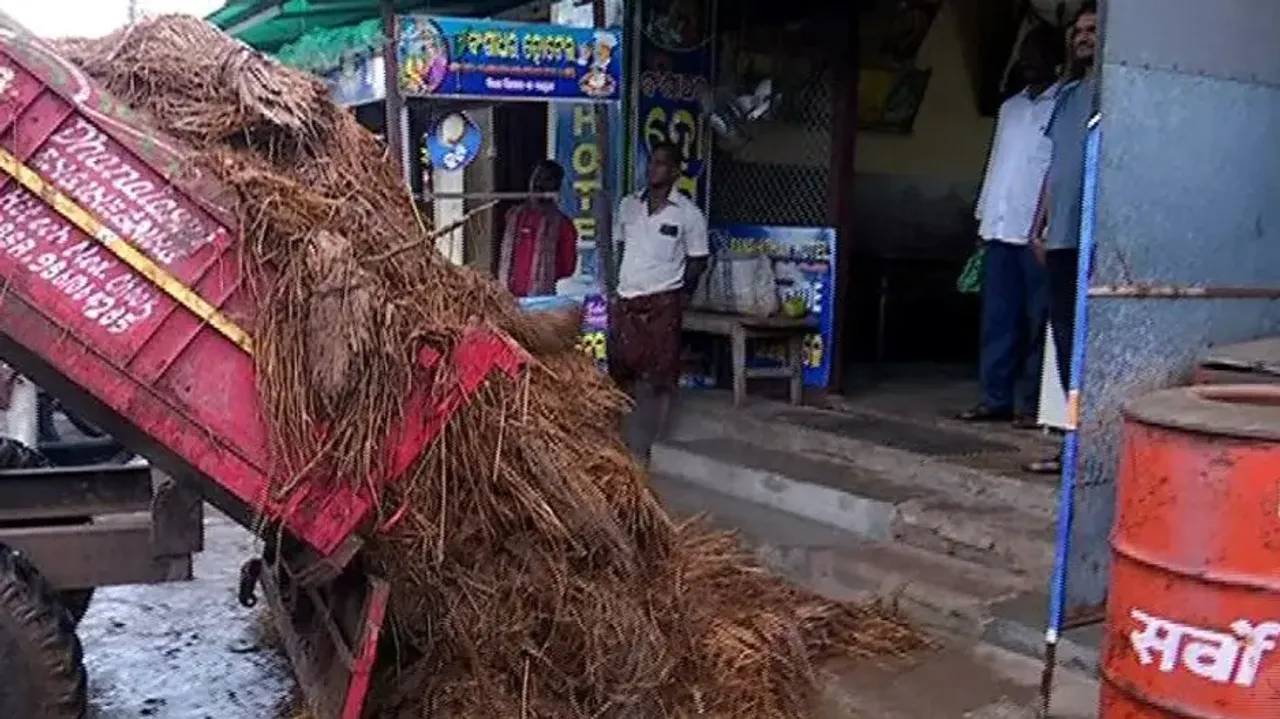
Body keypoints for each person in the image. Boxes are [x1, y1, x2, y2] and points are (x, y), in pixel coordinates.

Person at [960, 25, 1063, 429]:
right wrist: (983, 221)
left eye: (1035, 52)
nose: (1026, 60)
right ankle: (995, 398)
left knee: (1037, 322)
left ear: (1056, 58)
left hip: (1037, 235)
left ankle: (1030, 403)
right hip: (999, 230)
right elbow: (997, 165)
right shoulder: (1011, 108)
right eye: (1024, 52)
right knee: (997, 320)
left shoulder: (1064, 106)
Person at [1026, 1, 1099, 474]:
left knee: (1095, 346)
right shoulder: (1071, 94)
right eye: (1078, 31)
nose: (1083, 37)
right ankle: (1073, 444)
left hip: (1097, 240)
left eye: (1092, 29)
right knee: (1067, 343)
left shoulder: (1114, 92)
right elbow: (1055, 168)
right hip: (1062, 240)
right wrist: (1037, 225)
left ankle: (1096, 445)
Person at [610, 141, 709, 464]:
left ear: (676, 171)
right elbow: (620, 248)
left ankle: (652, 445)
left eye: (662, 163)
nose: (654, 168)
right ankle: (620, 441)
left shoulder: (689, 215)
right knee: (621, 372)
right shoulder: (628, 205)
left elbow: (698, 260)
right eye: (652, 162)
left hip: (663, 301)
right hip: (627, 298)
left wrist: (679, 294)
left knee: (658, 376)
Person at [498, 160, 578, 298]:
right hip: (506, 299)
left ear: (556, 187)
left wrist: (543, 274)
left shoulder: (563, 225)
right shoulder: (513, 216)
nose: (539, 184)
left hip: (541, 303)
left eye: (547, 180)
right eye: (536, 178)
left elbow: (567, 269)